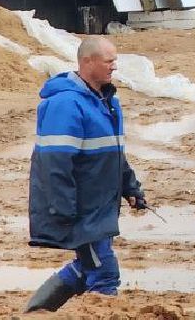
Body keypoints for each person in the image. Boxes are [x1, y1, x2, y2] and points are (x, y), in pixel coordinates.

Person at [26, 36, 147, 312]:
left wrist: (131, 188)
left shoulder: (107, 101)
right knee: (104, 274)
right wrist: (63, 210)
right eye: (109, 61)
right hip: (81, 211)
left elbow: (113, 154)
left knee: (85, 268)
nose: (114, 66)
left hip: (101, 209)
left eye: (115, 60)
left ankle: (34, 314)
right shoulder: (66, 104)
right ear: (87, 61)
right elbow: (54, 164)